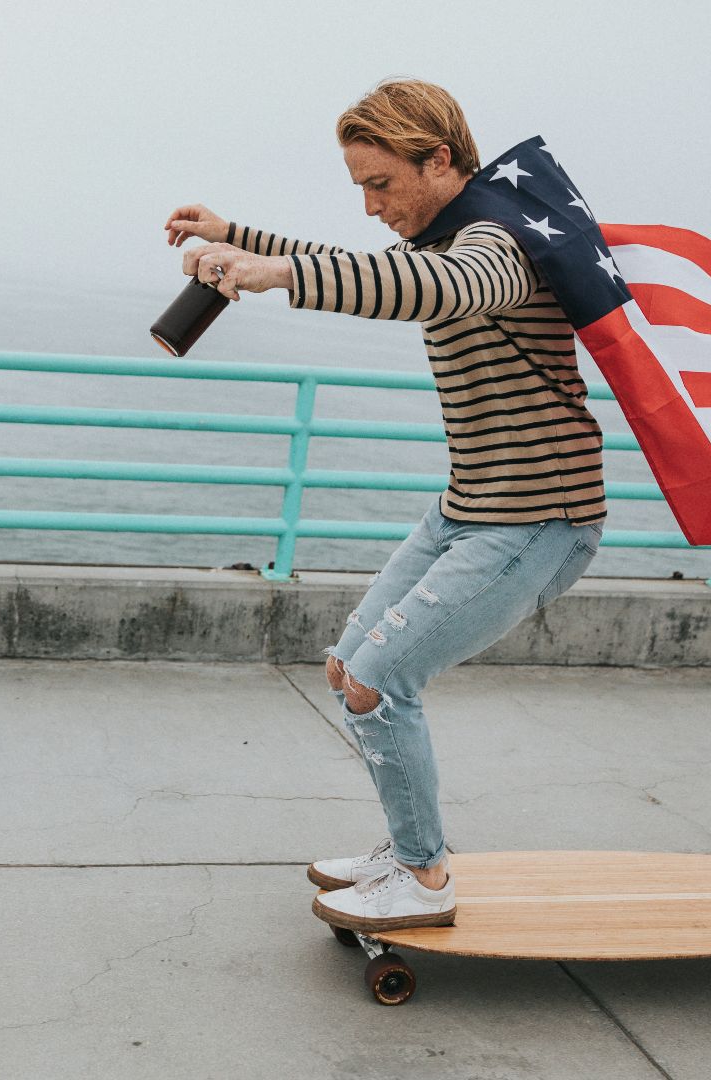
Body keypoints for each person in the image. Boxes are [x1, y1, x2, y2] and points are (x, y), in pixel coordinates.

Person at [163, 78, 605, 933]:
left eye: (380, 183)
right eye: (359, 187)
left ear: (438, 159)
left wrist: (275, 272)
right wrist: (236, 236)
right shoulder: (446, 234)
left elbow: (432, 289)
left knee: (377, 680)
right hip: (468, 508)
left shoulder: (498, 243)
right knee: (347, 668)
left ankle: (424, 878)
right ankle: (409, 847)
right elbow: (378, 268)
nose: (369, 206)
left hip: (539, 519)